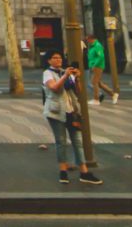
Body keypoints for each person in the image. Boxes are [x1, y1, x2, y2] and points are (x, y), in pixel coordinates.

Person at [42, 50, 103, 185]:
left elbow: (78, 91)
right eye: (55, 58)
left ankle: (84, 171)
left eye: (60, 58)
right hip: (56, 112)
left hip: (72, 111)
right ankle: (63, 171)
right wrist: (65, 76)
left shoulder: (66, 72)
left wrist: (77, 78)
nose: (58, 60)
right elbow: (55, 88)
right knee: (61, 142)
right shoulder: (47, 73)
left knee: (77, 141)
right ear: (49, 60)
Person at [85, 34, 118, 105]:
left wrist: (94, 64)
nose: (87, 41)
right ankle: (113, 94)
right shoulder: (93, 46)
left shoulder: (97, 46)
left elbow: (101, 57)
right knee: (99, 83)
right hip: (95, 66)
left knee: (94, 82)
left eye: (87, 39)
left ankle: (96, 99)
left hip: (98, 66)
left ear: (91, 39)